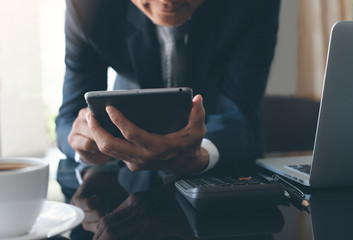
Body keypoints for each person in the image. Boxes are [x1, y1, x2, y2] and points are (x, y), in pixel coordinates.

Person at [56, 0, 280, 238]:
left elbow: (240, 111)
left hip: (229, 180)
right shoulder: (87, 6)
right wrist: (85, 144)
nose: (167, 2)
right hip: (126, 179)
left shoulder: (255, 4)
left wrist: (201, 152)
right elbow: (71, 113)